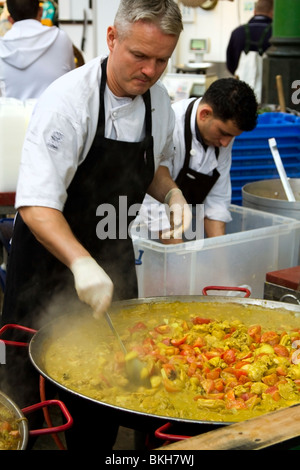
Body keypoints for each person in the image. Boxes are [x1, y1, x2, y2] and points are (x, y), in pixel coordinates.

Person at [0, 0, 190, 449]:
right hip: (46, 273)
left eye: (162, 60)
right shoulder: (69, 101)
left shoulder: (158, 101)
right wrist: (81, 264)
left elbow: (151, 168)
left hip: (114, 260)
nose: (150, 71)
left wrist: (172, 193)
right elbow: (37, 204)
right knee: (34, 408)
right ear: (111, 39)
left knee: (109, 394)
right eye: (139, 56)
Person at [139, 78, 258, 241]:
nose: (226, 143)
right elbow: (151, 198)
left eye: (232, 136)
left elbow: (217, 200)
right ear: (205, 114)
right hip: (142, 229)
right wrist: (178, 256)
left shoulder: (222, 135)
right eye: (224, 133)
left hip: (182, 228)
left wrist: (220, 258)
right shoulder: (170, 125)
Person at [0, 0, 75, 99]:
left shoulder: (2, 46)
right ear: (41, 11)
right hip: (53, 112)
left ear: (10, 19)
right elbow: (72, 81)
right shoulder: (60, 39)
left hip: (11, 114)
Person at [226, 0, 273, 101]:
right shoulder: (275, 34)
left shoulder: (237, 32)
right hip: (269, 94)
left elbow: (230, 64)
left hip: (239, 93)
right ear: (273, 12)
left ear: (254, 11)